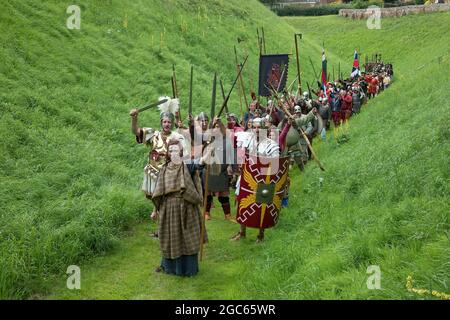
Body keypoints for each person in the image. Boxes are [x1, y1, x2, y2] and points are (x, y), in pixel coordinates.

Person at [152, 138, 212, 276]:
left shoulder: (187, 165)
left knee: (187, 238)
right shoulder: (164, 169)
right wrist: (155, 210)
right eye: (171, 149)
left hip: (186, 207)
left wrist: (208, 152)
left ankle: (188, 269)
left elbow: (201, 162)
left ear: (180, 151)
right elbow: (159, 192)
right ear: (167, 152)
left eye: (176, 149)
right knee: (170, 238)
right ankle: (169, 267)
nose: (173, 152)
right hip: (168, 209)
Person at [129, 97, 186, 228]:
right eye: (165, 122)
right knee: (157, 200)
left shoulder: (177, 137)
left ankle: (163, 227)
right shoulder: (153, 135)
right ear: (161, 122)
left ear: (172, 124)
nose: (167, 124)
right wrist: (134, 119)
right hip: (154, 172)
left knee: (165, 202)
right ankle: (158, 218)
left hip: (169, 175)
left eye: (169, 122)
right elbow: (136, 131)